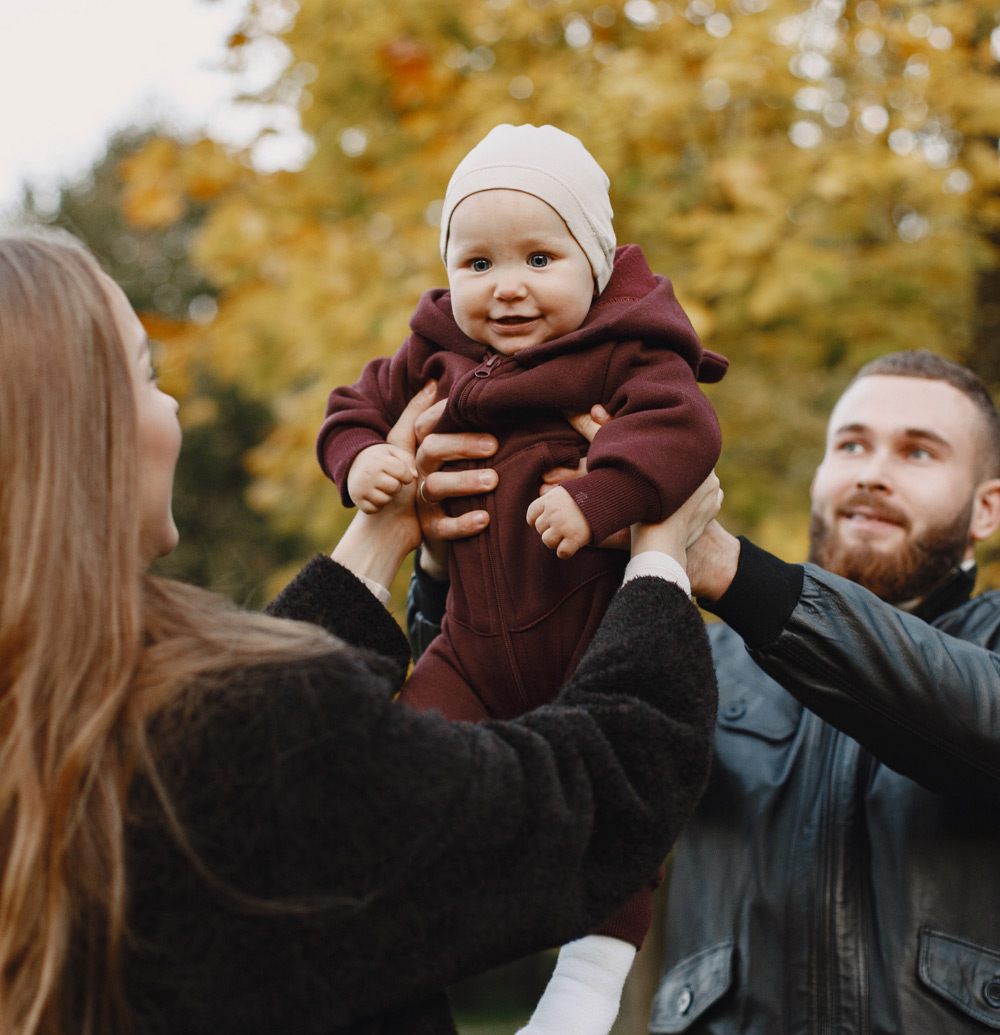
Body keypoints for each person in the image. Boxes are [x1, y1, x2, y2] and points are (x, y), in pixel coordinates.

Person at [0, 231, 722, 1035]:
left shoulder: (55, 721)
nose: (169, 405)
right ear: (70, 434)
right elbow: (601, 790)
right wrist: (659, 555)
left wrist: (381, 536)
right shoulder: (230, 751)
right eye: (145, 374)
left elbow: (242, 734)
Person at [409, 348, 1000, 1035]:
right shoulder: (700, 659)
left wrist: (719, 562)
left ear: (988, 507)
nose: (871, 473)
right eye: (851, 445)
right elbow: (511, 763)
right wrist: (455, 565)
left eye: (918, 453)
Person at [318, 126, 727, 1025]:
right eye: (477, 261)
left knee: (626, 807)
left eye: (540, 257)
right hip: (467, 644)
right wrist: (360, 465)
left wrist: (602, 497)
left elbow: (681, 426)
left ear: (593, 262)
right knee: (393, 779)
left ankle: (586, 983)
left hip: (589, 635)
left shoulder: (628, 345)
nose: (506, 285)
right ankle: (399, 952)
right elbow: (354, 406)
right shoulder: (436, 350)